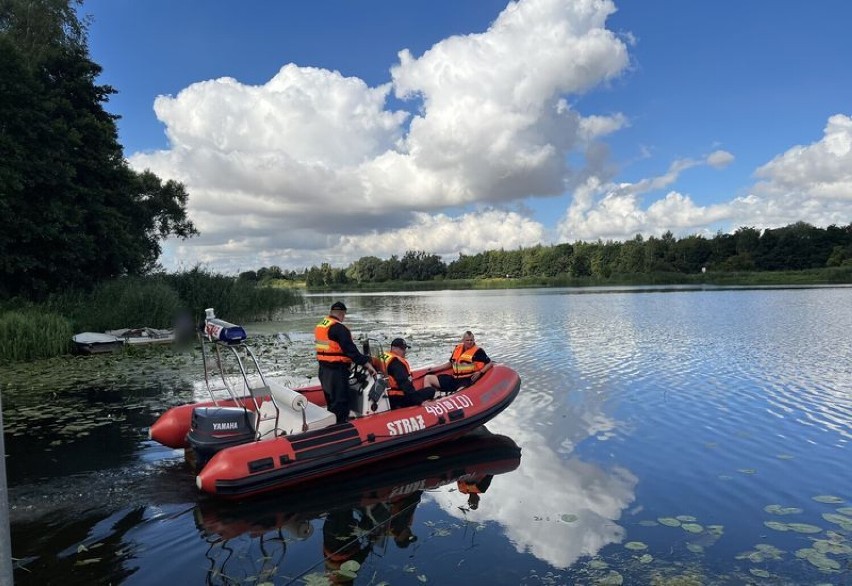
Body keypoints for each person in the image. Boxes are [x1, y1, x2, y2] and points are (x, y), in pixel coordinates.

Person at [315, 301, 377, 423]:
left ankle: (333, 424)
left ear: (331, 312)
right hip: (336, 371)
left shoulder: (321, 325)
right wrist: (367, 363)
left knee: (331, 401)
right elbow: (351, 351)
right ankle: (340, 428)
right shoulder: (339, 328)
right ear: (343, 314)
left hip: (323, 370)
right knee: (341, 403)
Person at [423, 331, 492, 394]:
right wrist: (435, 369)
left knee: (458, 393)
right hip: (454, 378)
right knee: (428, 378)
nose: (469, 342)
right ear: (463, 340)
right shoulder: (458, 348)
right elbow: (451, 363)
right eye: (467, 340)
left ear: (474, 340)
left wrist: (480, 372)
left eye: (471, 340)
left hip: (466, 380)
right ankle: (428, 400)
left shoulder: (478, 351)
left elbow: (489, 363)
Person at [380, 338, 436, 409]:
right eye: (402, 349)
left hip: (386, 396)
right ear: (394, 348)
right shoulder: (397, 363)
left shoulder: (384, 357)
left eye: (405, 349)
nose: (405, 351)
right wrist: (420, 401)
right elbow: (404, 384)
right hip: (398, 398)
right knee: (430, 390)